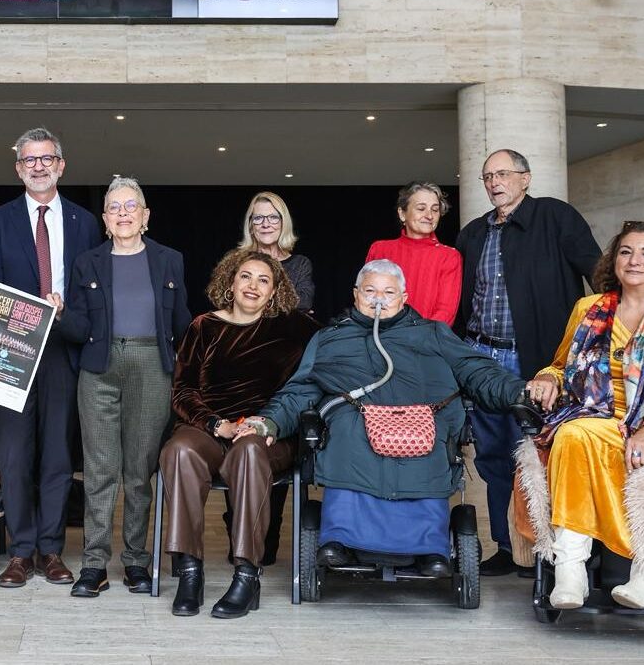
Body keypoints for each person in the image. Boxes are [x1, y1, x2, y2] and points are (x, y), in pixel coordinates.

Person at [239, 260, 527, 590]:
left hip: (422, 423)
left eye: (388, 292)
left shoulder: (433, 333)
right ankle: (340, 538)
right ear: (356, 295)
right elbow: (301, 389)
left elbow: (478, 371)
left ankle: (430, 547)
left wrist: (519, 391)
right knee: (347, 431)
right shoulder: (331, 338)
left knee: (428, 438)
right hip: (354, 420)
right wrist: (269, 421)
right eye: (371, 291)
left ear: (404, 297)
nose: (379, 299)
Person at [516, 222, 644, 610]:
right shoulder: (589, 308)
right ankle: (570, 570)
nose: (635, 261)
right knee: (572, 436)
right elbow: (563, 366)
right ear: (613, 261)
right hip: (597, 414)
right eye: (626, 251)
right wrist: (547, 377)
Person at [454, 149, 598, 576]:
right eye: (487, 177)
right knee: (493, 456)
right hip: (482, 356)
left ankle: (549, 550)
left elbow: (600, 276)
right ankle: (506, 545)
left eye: (503, 173)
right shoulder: (473, 233)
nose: (494, 182)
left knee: (539, 454)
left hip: (537, 361)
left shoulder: (555, 218)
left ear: (526, 178)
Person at [0, 128, 102, 589]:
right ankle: (20, 551)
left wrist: (67, 312)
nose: (38, 166)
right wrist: (27, 312)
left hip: (64, 350)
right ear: (18, 168)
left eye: (46, 158)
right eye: (29, 160)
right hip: (11, 350)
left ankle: (51, 550)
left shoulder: (85, 223)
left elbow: (93, 290)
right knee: (14, 456)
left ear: (61, 165)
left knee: (56, 456)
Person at [159, 250, 316, 618]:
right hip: (212, 427)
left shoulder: (295, 329)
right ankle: (190, 571)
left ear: (275, 290)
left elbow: (330, 360)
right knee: (178, 450)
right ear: (231, 281)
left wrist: (263, 424)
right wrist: (217, 424)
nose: (253, 286)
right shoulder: (203, 326)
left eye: (264, 280)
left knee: (247, 452)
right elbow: (181, 392)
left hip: (265, 436)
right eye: (246, 277)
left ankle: (247, 575)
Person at [60, 178, 192, 597]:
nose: (122, 213)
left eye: (130, 206)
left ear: (145, 216)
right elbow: (80, 327)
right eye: (113, 207)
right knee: (99, 471)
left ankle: (136, 561)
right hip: (99, 369)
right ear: (104, 219)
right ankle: (94, 564)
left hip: (153, 365)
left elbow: (182, 323)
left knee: (138, 472)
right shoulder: (88, 262)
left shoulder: (170, 260)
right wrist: (60, 314)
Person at [366, 182, 461, 325]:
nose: (429, 215)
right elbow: (366, 301)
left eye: (435, 210)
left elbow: (445, 313)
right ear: (402, 213)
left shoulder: (449, 257)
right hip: (379, 338)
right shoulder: (379, 249)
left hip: (425, 343)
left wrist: (414, 339)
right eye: (421, 208)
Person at [238, 191, 314, 313]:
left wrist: (255, 299)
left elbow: (305, 301)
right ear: (251, 226)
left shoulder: (300, 264)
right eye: (258, 218)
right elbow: (231, 301)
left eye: (273, 217)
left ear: (283, 223)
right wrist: (290, 307)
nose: (265, 224)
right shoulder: (238, 261)